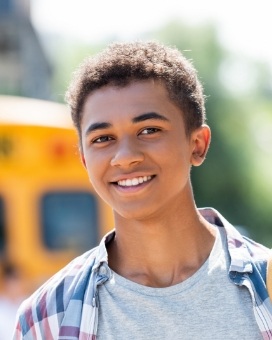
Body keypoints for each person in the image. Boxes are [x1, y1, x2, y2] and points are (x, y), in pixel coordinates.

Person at [13, 41, 272, 340]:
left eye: (149, 130)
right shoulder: (45, 318)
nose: (124, 156)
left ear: (197, 144)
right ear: (84, 160)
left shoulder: (265, 283)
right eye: (102, 138)